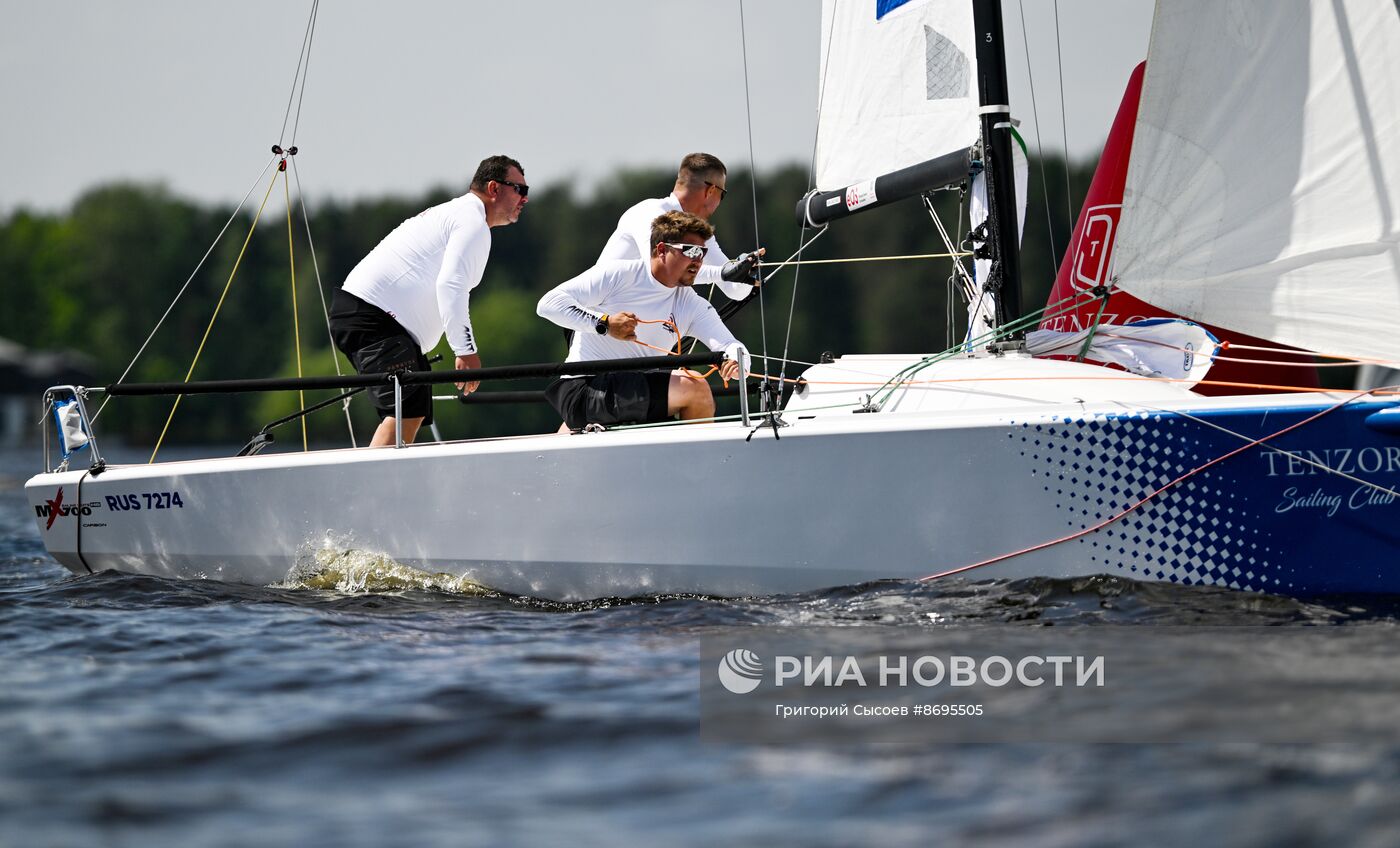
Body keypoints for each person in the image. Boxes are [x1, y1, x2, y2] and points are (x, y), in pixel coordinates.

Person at [329, 154, 528, 447]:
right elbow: (451, 285)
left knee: (414, 409)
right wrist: (465, 351)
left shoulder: (460, 214)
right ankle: (370, 490)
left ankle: (383, 487)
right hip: (374, 318)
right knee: (405, 410)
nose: (524, 199)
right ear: (494, 188)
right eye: (519, 189)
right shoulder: (472, 221)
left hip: (376, 319)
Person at [537, 210, 751, 431]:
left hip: (626, 395)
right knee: (695, 389)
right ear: (661, 250)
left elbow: (730, 345)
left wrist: (736, 363)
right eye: (691, 250)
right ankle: (703, 465)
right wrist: (605, 324)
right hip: (583, 389)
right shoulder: (619, 274)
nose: (698, 260)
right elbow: (548, 304)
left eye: (702, 253)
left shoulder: (691, 304)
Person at [597, 152, 764, 301]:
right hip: (599, 325)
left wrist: (744, 271)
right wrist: (723, 273)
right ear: (711, 191)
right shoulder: (648, 212)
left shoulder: (699, 233)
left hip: (638, 326)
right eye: (723, 195)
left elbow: (734, 291)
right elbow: (660, 269)